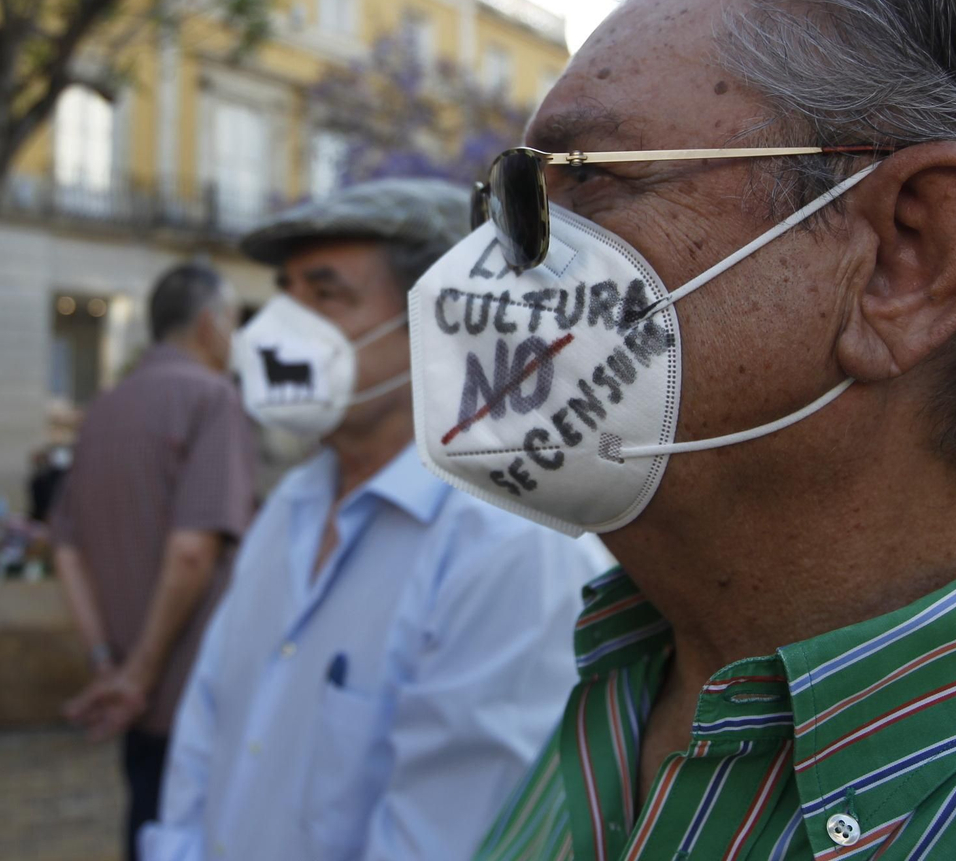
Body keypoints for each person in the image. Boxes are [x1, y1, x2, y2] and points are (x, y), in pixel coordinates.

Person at [407, 0, 956, 861]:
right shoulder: (638, 676)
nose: (492, 261)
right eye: (512, 201)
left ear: (906, 258)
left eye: (583, 183)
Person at [142, 180, 609, 861]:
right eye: (286, 292)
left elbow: (444, 833)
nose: (279, 327)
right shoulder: (291, 506)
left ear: (442, 319)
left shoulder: (514, 543)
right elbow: (208, 726)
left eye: (326, 295)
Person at [52, 263, 254, 861]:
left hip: (132, 699)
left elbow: (65, 549)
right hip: (194, 697)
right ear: (209, 324)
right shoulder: (214, 398)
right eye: (236, 321)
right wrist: (139, 677)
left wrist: (107, 666)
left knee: (145, 830)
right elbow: (193, 551)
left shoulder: (105, 408)